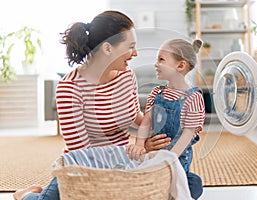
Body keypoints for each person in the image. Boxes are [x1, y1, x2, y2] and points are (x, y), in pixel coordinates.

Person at [13, 10, 170, 200]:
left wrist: (154, 132)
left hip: (122, 165)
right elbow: (82, 152)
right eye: (130, 47)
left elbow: (135, 116)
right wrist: (139, 148)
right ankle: (26, 195)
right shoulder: (70, 88)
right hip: (82, 168)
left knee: (188, 185)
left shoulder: (127, 77)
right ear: (107, 48)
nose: (135, 53)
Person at [126, 38, 205, 199]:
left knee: (194, 184)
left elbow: (188, 134)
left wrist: (170, 158)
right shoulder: (156, 93)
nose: (156, 64)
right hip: (152, 157)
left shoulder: (193, 98)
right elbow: (146, 122)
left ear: (180, 66)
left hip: (176, 161)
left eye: (161, 59)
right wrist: (140, 144)